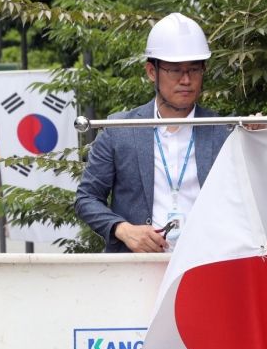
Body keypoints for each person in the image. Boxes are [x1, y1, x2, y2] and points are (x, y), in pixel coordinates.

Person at [75, 13, 232, 253]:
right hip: (137, 268)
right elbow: (86, 198)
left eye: (195, 69)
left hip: (202, 266)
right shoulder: (119, 130)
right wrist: (123, 229)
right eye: (175, 70)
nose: (186, 80)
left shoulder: (223, 131)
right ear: (151, 71)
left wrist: (256, 144)